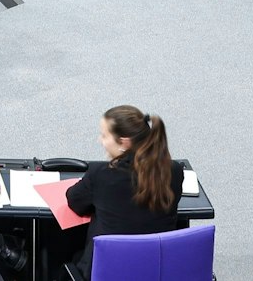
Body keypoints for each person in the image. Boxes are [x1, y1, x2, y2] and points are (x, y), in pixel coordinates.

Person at [63, 106, 184, 267]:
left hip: (107, 270)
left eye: (105, 136)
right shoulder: (173, 171)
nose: (101, 140)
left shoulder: (100, 174)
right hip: (155, 269)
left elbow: (75, 201)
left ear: (124, 142)